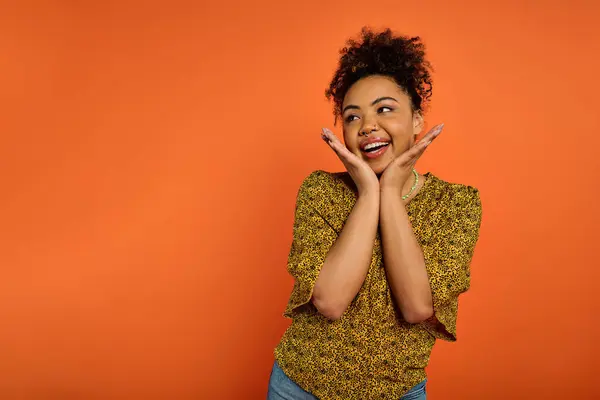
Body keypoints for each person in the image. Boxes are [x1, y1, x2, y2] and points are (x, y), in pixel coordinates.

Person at [267, 27, 483, 400]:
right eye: (352, 117)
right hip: (299, 388)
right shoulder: (321, 190)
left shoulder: (458, 203)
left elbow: (417, 307)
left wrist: (391, 194)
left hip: (398, 392)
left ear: (417, 120)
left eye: (384, 109)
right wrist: (369, 192)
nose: (367, 126)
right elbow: (331, 302)